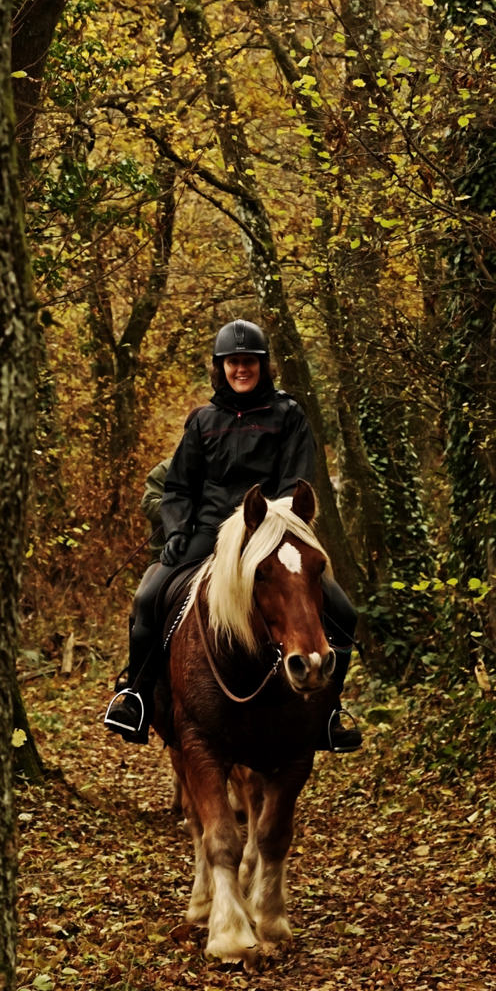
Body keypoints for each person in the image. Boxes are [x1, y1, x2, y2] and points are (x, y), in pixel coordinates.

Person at [103, 319, 363, 752]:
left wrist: (269, 528)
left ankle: (330, 711)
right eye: (232, 362)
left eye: (249, 362)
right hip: (209, 533)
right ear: (220, 367)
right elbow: (179, 486)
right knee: (148, 597)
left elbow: (296, 482)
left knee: (342, 610)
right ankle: (137, 696)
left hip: (271, 535)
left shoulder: (289, 415)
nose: (241, 369)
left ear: (262, 365)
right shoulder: (202, 421)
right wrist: (175, 531)